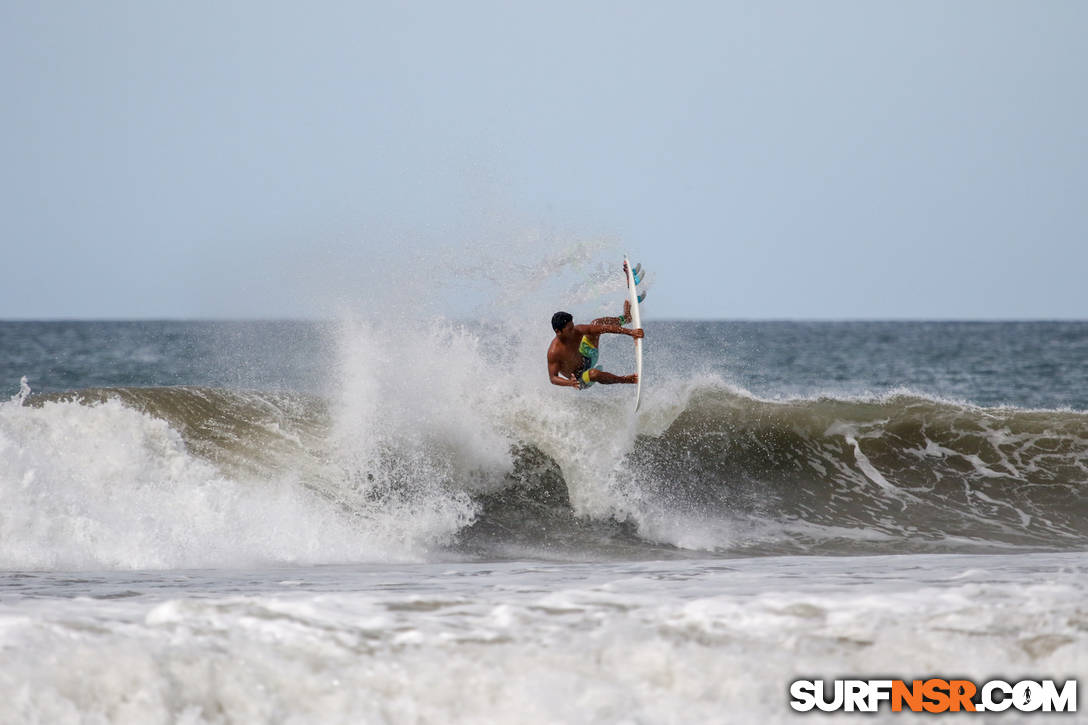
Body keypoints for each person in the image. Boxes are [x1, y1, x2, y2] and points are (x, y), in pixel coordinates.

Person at [547, 300, 643, 389]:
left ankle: (625, 318)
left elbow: (602, 328)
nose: (573, 330)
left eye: (572, 326)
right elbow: (553, 378)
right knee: (594, 374)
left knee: (596, 323)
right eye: (569, 329)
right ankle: (626, 380)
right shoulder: (554, 352)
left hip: (588, 356)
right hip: (579, 379)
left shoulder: (576, 330)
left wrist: (630, 332)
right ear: (558, 331)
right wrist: (570, 383)